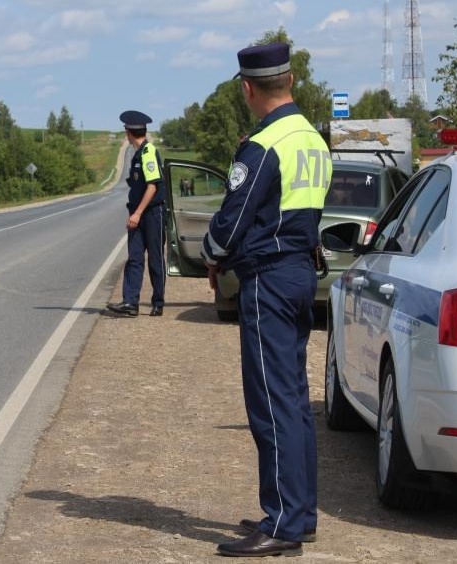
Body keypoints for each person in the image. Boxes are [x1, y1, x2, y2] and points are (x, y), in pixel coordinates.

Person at [202, 42, 330, 558]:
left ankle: (282, 523)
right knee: (294, 400)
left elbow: (233, 218)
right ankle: (300, 512)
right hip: (300, 272)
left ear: (247, 88)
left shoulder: (263, 144)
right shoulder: (314, 138)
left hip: (269, 280)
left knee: (271, 404)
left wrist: (211, 254)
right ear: (291, 80)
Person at [107, 110, 166, 317]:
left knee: (155, 259)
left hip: (152, 214)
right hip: (138, 214)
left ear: (129, 132)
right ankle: (130, 303)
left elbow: (152, 186)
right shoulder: (138, 153)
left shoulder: (148, 152)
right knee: (134, 258)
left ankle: (158, 302)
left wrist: (138, 213)